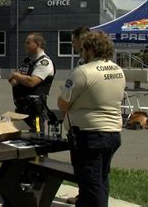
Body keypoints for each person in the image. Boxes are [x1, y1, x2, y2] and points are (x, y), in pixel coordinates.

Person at [57, 31, 125, 207]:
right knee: (101, 179)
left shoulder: (83, 72)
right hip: (112, 133)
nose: (80, 53)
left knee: (90, 185)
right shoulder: (117, 70)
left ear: (88, 49)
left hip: (89, 136)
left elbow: (63, 104)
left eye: (82, 50)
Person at [8, 32, 55, 132]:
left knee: (35, 136)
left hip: (35, 111)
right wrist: (15, 80)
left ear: (37, 44)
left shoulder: (44, 62)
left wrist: (16, 75)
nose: (25, 45)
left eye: (28, 42)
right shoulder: (28, 61)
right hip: (21, 107)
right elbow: (19, 77)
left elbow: (31, 81)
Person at [66, 25, 90, 205]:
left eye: (74, 41)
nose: (73, 45)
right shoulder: (82, 62)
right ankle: (82, 194)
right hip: (78, 120)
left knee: (89, 170)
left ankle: (86, 198)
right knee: (82, 168)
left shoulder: (88, 65)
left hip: (86, 124)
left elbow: (69, 95)